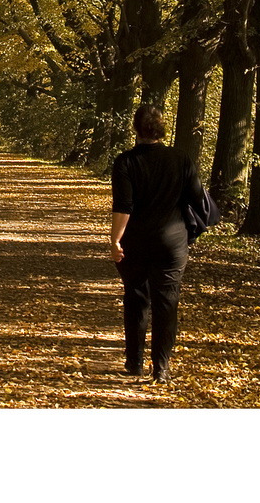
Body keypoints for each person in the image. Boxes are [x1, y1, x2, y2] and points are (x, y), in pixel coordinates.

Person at [110, 104, 201, 383]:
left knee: (136, 299)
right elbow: (197, 200)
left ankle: (134, 362)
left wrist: (114, 239)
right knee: (167, 302)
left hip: (135, 242)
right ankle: (161, 367)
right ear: (161, 129)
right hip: (172, 244)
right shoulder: (181, 159)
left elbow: (124, 206)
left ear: (136, 128)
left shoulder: (125, 162)